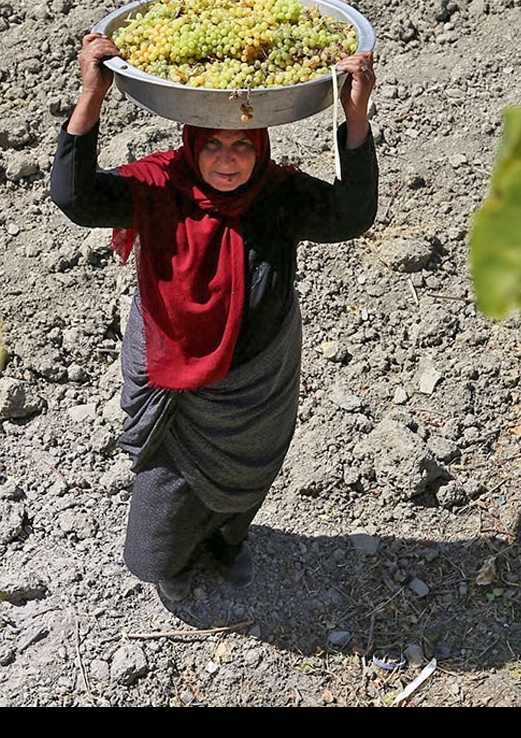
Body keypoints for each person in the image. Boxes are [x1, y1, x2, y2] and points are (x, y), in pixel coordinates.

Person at [51, 32, 379, 602]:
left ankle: (229, 543)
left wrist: (355, 115)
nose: (228, 162)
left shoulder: (278, 194)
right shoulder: (157, 187)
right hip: (178, 381)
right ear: (192, 143)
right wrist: (92, 96)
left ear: (261, 147)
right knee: (170, 495)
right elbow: (74, 196)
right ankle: (171, 567)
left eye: (243, 147)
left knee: (250, 473)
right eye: (213, 146)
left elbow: (352, 214)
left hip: (256, 383)